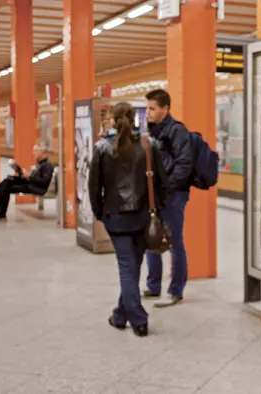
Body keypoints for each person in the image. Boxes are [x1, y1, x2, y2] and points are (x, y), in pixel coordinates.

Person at [89, 102, 168, 337]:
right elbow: (162, 182)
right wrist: (159, 212)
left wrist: (100, 213)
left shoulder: (102, 147)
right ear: (135, 119)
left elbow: (94, 186)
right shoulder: (148, 144)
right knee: (133, 266)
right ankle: (120, 314)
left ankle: (137, 318)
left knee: (127, 267)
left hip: (116, 218)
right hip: (144, 217)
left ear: (112, 120)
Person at [143, 89, 193, 307]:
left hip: (174, 196)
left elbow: (184, 164)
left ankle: (175, 290)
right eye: (147, 108)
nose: (148, 112)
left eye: (152, 108)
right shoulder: (152, 132)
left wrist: (168, 187)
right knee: (152, 238)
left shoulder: (177, 131)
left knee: (174, 242)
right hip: (155, 195)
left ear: (165, 109)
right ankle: (153, 286)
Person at [0, 144, 55, 221]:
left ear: (42, 152)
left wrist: (29, 176)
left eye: (36, 151)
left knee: (6, 188)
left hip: (36, 187)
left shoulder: (47, 165)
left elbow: (44, 182)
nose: (33, 153)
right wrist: (25, 173)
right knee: (8, 179)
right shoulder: (40, 163)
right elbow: (36, 176)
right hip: (30, 183)